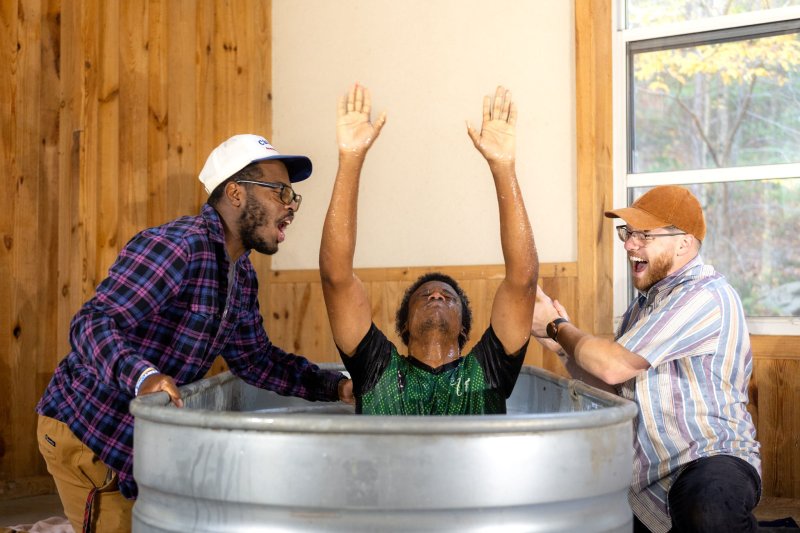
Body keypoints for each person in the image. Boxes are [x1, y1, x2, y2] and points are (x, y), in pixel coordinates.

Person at [35, 134, 354, 532]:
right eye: (281, 192)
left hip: (136, 442)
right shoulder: (179, 245)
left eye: (294, 197)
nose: (291, 205)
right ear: (235, 193)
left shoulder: (241, 274)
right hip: (88, 429)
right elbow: (92, 322)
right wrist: (143, 376)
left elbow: (257, 360)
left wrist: (337, 387)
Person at [530, 185, 761, 532]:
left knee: (708, 511)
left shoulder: (706, 296)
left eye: (643, 235)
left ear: (684, 242)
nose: (628, 244)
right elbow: (613, 383)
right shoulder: (640, 310)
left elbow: (613, 363)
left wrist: (556, 325)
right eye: (628, 233)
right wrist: (561, 345)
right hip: (650, 479)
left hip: (710, 459)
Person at [319, 84, 538, 415]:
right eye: (425, 296)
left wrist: (503, 167)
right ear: (404, 326)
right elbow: (336, 277)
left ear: (464, 328)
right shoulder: (378, 370)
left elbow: (523, 279)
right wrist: (351, 158)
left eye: (448, 297)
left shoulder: (487, 371)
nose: (436, 297)